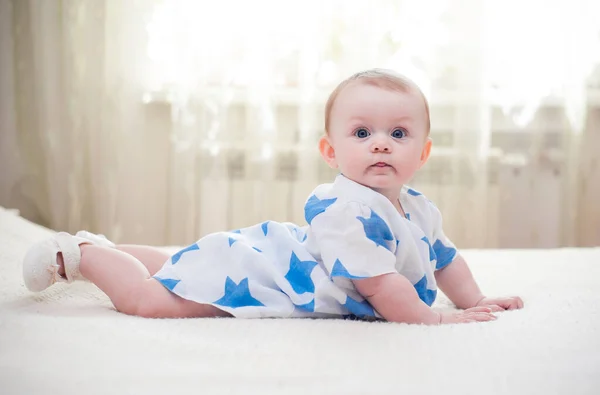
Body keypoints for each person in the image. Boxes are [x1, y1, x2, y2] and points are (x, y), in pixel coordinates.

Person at [22, 68, 523, 324]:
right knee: (154, 301)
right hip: (266, 277)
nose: (380, 143)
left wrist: (474, 300)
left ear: (424, 151)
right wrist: (433, 319)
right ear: (330, 150)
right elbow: (381, 288)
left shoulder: (418, 207)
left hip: (269, 256)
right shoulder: (347, 209)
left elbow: (445, 258)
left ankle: (108, 253)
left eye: (398, 132)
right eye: (362, 132)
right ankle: (82, 255)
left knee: (180, 263)